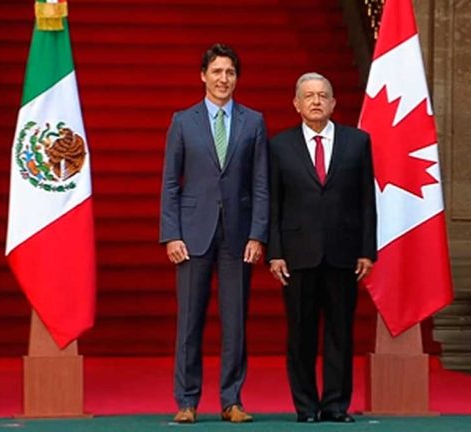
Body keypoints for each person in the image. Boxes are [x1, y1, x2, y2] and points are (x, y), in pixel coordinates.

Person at [159, 43, 268, 424]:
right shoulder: (183, 121)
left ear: (237, 78)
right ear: (203, 75)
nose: (224, 79)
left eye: (231, 73)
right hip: (193, 235)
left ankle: (232, 400)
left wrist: (258, 234)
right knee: (189, 319)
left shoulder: (253, 122)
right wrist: (171, 234)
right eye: (217, 72)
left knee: (235, 321)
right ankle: (186, 400)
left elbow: (260, 184)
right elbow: (171, 183)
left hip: (238, 237)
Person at [267, 72, 377, 423]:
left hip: (344, 252)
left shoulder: (357, 142)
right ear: (296, 104)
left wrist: (367, 250)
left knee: (339, 333)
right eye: (309, 96)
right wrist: (275, 251)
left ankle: (335, 405)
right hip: (297, 254)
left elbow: (366, 202)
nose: (316, 101)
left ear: (333, 103)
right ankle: (305, 406)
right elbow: (273, 203)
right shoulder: (279, 146)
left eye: (323, 95)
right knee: (300, 334)